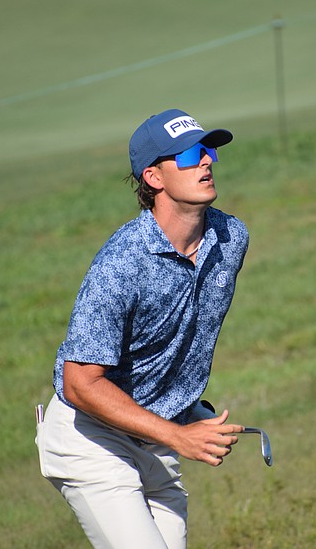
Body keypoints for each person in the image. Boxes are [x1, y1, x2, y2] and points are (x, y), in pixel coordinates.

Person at [36, 108, 249, 548]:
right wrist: (177, 434)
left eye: (209, 149)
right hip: (90, 435)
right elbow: (79, 383)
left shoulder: (230, 238)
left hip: (154, 433)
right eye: (190, 154)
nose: (207, 160)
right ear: (153, 177)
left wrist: (184, 407)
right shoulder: (122, 263)